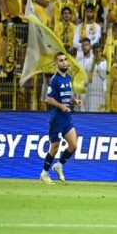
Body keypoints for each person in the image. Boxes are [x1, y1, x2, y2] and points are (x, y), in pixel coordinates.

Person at [41, 52, 82, 184]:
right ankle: (44, 173)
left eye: (65, 60)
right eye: (61, 60)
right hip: (56, 118)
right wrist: (60, 106)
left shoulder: (68, 77)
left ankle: (58, 165)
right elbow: (48, 99)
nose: (64, 62)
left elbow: (67, 94)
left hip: (66, 117)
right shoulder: (54, 79)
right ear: (56, 64)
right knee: (55, 147)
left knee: (73, 145)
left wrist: (74, 100)